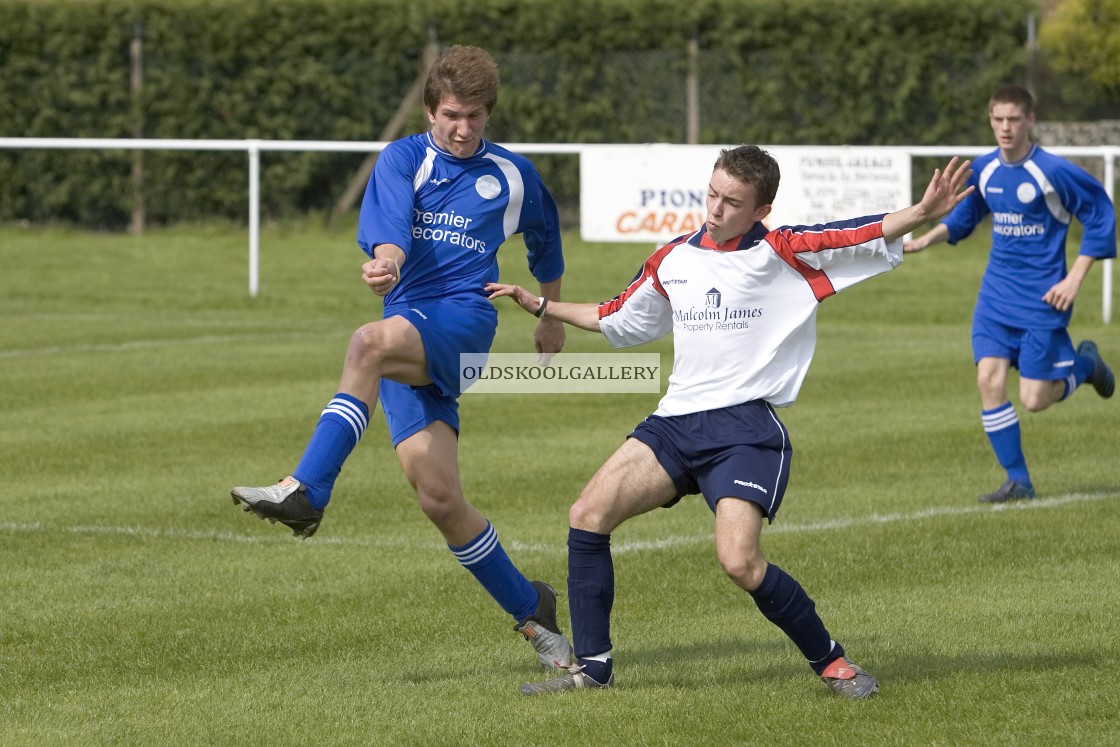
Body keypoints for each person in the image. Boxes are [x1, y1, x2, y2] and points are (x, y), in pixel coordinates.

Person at [486, 146, 974, 698]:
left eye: (732, 202)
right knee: (587, 515)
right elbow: (614, 316)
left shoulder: (785, 252)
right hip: (674, 424)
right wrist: (541, 306)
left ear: (761, 209)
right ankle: (592, 671)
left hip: (744, 430)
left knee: (739, 561)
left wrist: (921, 211)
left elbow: (854, 233)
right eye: (712, 194)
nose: (715, 210)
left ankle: (835, 664)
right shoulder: (672, 259)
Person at [230, 45, 573, 670]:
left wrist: (549, 315)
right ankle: (535, 612)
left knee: (365, 343)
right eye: (451, 115)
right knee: (439, 499)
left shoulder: (516, 174)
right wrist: (386, 263)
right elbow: (391, 228)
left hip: (464, 320)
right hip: (409, 328)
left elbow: (545, 243)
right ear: (429, 110)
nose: (464, 128)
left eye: (475, 116)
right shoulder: (403, 158)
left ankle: (306, 489)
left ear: (489, 112)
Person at [904, 85, 1116, 503]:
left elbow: (1100, 214)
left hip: (1043, 301)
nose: (1005, 127)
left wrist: (1075, 278)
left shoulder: (1053, 171)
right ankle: (1019, 482)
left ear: (1030, 121)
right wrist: (922, 241)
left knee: (1036, 399)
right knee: (988, 378)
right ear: (991, 120)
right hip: (996, 299)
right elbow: (966, 216)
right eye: (998, 119)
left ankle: (1086, 364)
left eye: (1014, 119)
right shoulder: (984, 169)